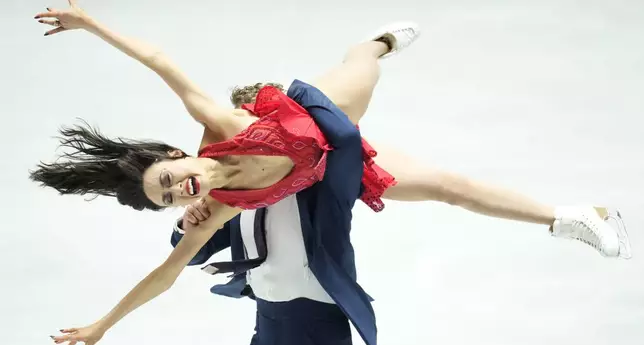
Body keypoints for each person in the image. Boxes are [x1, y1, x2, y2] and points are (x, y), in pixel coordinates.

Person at [31, 2, 631, 260]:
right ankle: (574, 217)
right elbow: (169, 269)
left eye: (169, 179)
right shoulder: (214, 208)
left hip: (314, 117)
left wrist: (91, 24)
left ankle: (380, 40)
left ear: (174, 153)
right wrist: (104, 325)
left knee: (360, 66)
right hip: (337, 161)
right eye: (167, 199)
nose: (177, 192)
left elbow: (158, 58)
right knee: (447, 187)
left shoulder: (214, 126)